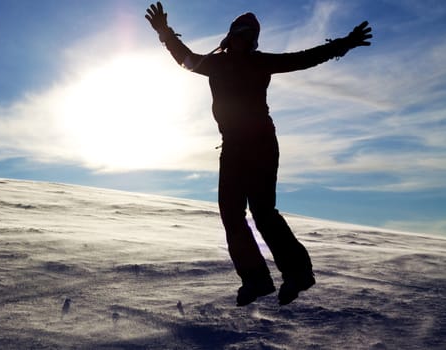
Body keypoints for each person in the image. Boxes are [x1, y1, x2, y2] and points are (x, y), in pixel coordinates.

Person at [145, 2, 372, 306]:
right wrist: (164, 32)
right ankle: (257, 279)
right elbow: (186, 59)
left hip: (260, 144)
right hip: (234, 147)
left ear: (253, 41)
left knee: (263, 213)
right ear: (231, 36)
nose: (244, 40)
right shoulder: (217, 64)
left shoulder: (256, 62)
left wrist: (343, 44)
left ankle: (298, 274)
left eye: (249, 36)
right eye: (240, 34)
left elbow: (304, 59)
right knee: (232, 214)